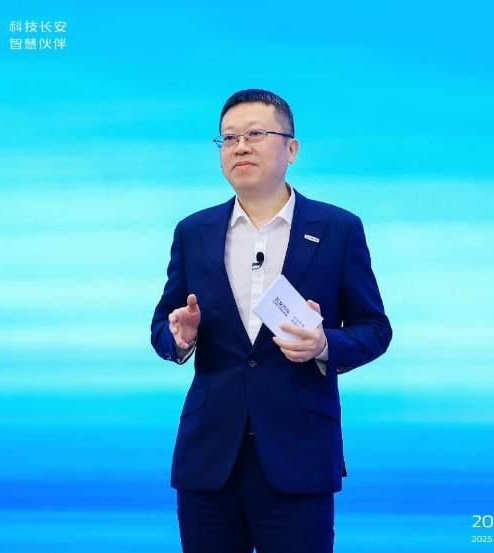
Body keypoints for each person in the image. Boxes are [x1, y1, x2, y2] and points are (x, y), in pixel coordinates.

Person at [151, 88, 391, 553]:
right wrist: (179, 338)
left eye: (255, 134)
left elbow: (375, 329)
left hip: (299, 454)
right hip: (209, 456)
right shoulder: (193, 231)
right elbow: (163, 324)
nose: (240, 147)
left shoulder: (338, 229)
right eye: (229, 138)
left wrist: (323, 346)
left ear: (291, 149)